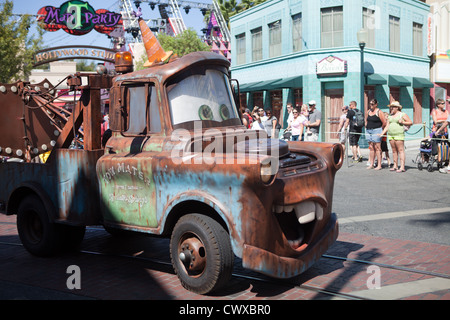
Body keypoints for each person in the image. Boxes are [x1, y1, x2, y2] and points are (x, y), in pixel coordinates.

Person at [380, 101, 412, 173]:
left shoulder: (402, 114)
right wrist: (382, 133)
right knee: (394, 151)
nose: (391, 108)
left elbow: (410, 122)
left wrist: (403, 122)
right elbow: (387, 126)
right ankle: (395, 165)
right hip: (391, 135)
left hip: (399, 134)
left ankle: (402, 166)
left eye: (393, 107)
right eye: (391, 107)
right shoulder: (390, 116)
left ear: (397, 108)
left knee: (400, 150)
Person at [365, 99, 386, 170]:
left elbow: (384, 122)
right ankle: (371, 164)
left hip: (376, 130)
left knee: (377, 148)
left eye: (372, 104)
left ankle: (379, 165)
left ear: (376, 104)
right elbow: (366, 120)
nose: (371, 105)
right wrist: (366, 126)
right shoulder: (368, 111)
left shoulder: (379, 112)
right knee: (371, 147)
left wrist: (380, 130)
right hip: (368, 130)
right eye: (370, 104)